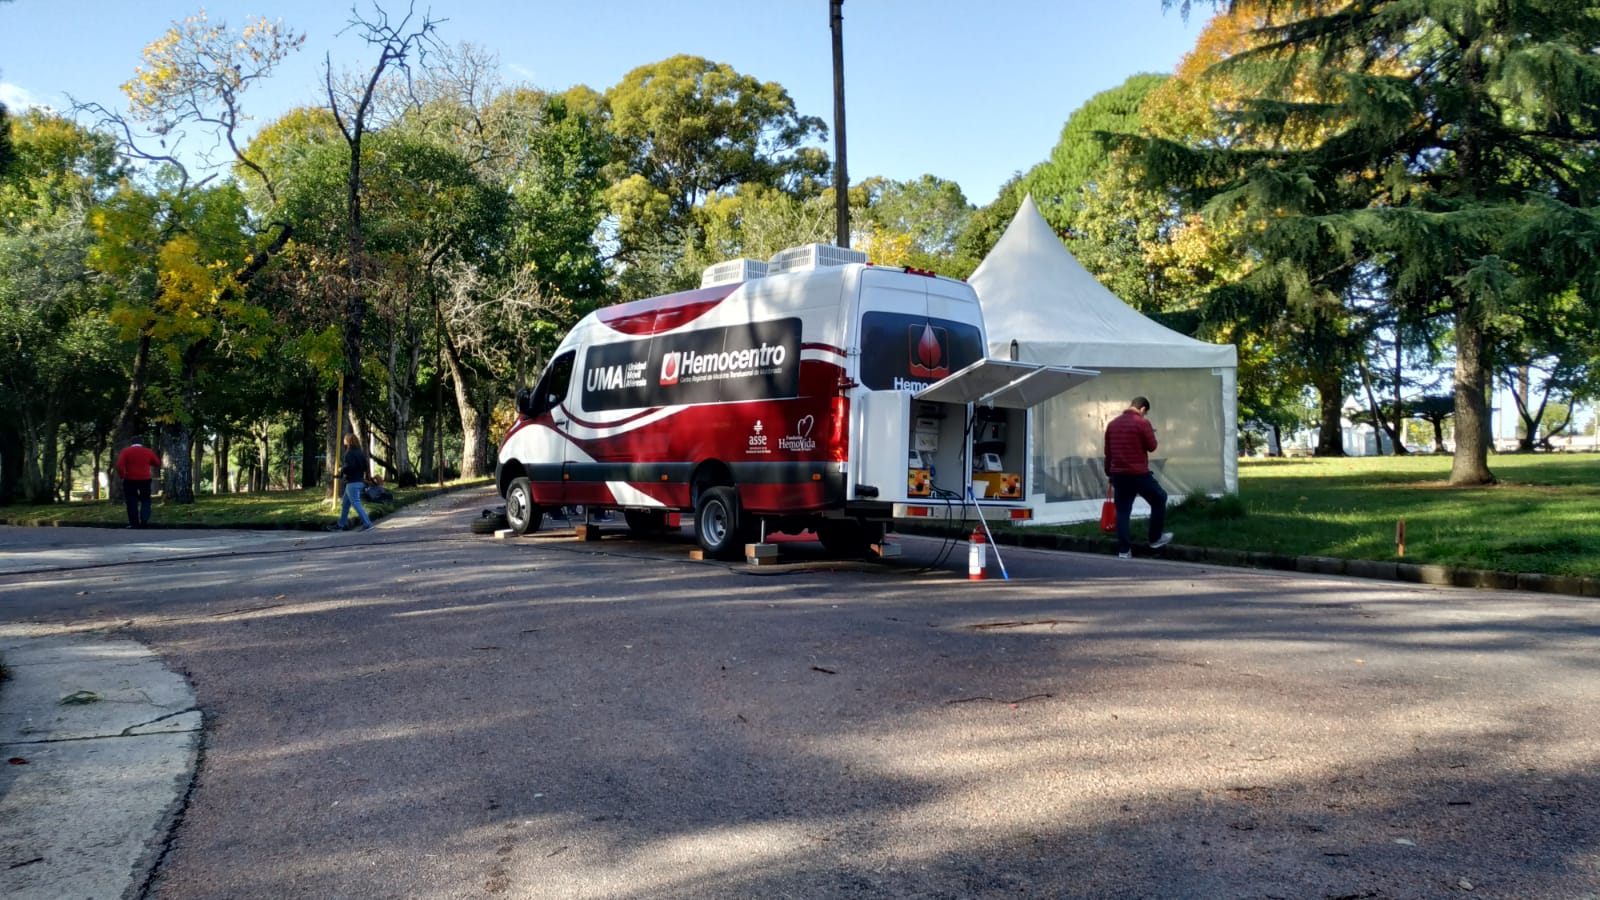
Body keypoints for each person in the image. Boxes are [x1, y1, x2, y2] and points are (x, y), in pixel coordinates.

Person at [1103, 396, 1173, 559]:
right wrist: (1151, 434)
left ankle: (1124, 550)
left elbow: (1108, 453)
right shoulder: (1142, 423)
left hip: (1119, 475)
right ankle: (1155, 538)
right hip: (1138, 474)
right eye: (1145, 413)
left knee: (1122, 511)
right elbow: (1152, 446)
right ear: (1142, 409)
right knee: (1159, 498)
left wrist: (1109, 472)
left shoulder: (1112, 425)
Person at [115, 439, 163, 529]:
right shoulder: (148, 451)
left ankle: (134, 523)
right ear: (142, 443)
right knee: (145, 500)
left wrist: (122, 476)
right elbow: (157, 462)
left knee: (131, 501)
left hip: (130, 479)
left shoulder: (126, 451)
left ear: (131, 443)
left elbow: (120, 465)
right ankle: (144, 520)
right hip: (145, 479)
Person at [335, 433, 375, 532]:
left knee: (356, 503)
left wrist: (341, 469)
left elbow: (350, 467)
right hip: (359, 480)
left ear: (348, 441)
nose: (344, 440)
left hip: (352, 482)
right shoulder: (360, 452)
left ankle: (368, 524)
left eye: (345, 439)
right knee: (345, 504)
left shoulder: (349, 453)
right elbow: (365, 466)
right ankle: (341, 524)